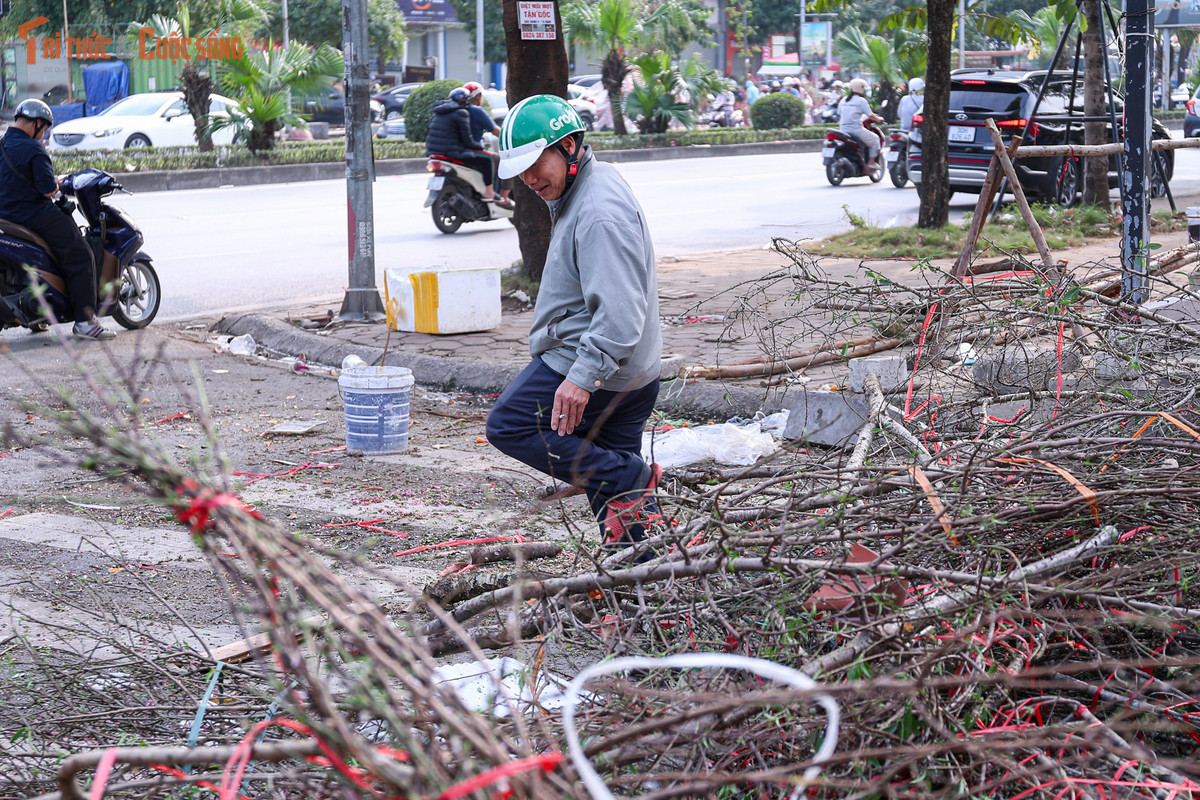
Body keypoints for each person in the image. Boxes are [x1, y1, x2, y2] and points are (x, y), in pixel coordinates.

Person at [484, 95, 663, 553]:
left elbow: (621, 312)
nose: (528, 180)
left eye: (534, 165)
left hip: (597, 361)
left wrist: (582, 378)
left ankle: (632, 477)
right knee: (618, 506)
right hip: (632, 372)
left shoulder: (598, 211)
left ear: (567, 146)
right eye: (520, 171)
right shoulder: (588, 184)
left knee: (510, 425)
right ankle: (642, 572)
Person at [0, 99, 114, 339]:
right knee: (81, 255)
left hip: (6, 216)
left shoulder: (2, 144)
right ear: (36, 123)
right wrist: (56, 183)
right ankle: (85, 322)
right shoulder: (34, 150)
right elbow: (47, 190)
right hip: (33, 214)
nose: (44, 134)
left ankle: (39, 317)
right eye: (45, 128)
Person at [424, 87, 504, 205]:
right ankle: (489, 192)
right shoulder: (461, 113)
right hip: (453, 152)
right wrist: (478, 147)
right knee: (490, 158)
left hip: (434, 152)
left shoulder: (439, 112)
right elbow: (467, 140)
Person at [461, 81, 512, 207]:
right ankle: (501, 197)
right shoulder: (477, 111)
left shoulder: (457, 110)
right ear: (477, 96)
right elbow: (496, 131)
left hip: (456, 150)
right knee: (501, 159)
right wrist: (511, 137)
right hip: (472, 151)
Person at [838, 78, 884, 170]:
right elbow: (870, 115)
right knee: (875, 139)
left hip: (842, 129)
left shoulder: (844, 100)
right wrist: (879, 119)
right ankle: (871, 162)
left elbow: (839, 112)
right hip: (856, 130)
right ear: (861, 88)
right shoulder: (861, 101)